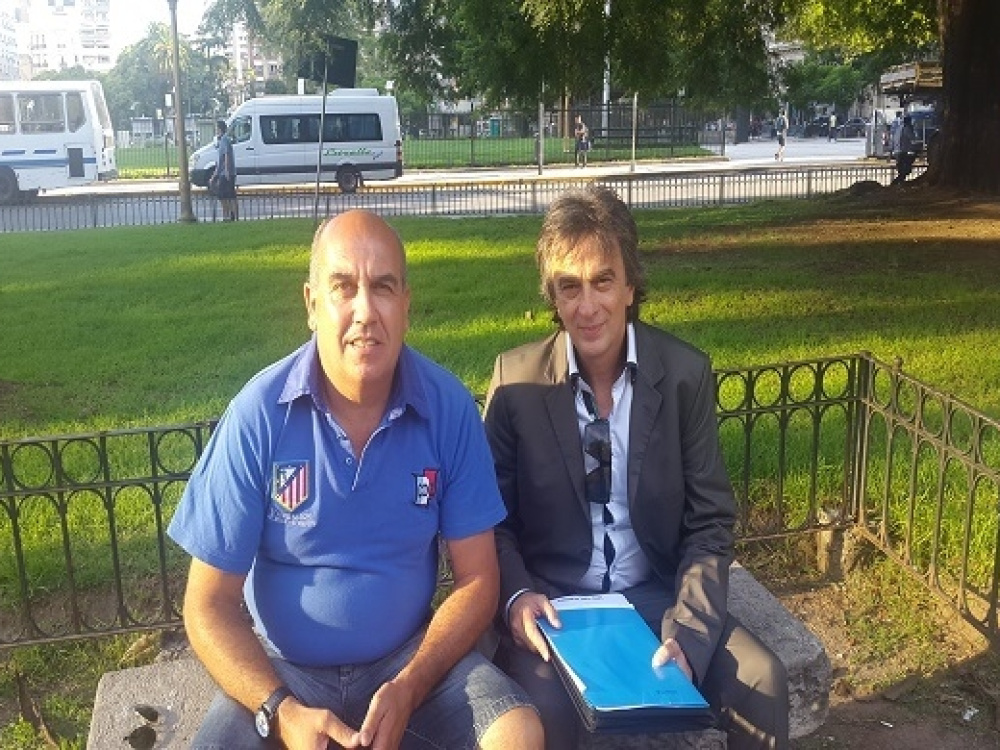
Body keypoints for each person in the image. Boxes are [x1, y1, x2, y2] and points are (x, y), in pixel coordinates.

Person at [167, 210, 544, 750]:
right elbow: (206, 604)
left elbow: (479, 579)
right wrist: (280, 709)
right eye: (343, 287)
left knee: (518, 733)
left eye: (383, 287)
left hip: (409, 663)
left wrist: (411, 685)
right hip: (283, 673)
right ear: (311, 304)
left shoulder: (447, 408)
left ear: (406, 304)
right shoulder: (259, 414)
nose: (365, 312)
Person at [483, 186, 789, 750]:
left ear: (630, 286)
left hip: (655, 595)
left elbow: (709, 523)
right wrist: (518, 595)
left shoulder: (683, 375)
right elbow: (489, 522)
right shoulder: (515, 383)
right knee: (548, 710)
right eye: (569, 287)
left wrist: (689, 634)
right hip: (556, 606)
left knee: (761, 680)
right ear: (553, 296)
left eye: (602, 281)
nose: (587, 306)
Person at [213, 119, 238, 222]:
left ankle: (229, 215)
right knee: (228, 195)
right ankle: (231, 214)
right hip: (224, 172)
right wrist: (214, 175)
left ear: (219, 129)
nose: (215, 130)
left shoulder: (224, 140)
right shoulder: (223, 140)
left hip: (226, 173)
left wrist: (227, 171)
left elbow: (226, 155)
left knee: (225, 196)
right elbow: (220, 160)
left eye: (216, 128)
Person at [891, 115, 917, 185]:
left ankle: (899, 182)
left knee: (902, 170)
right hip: (903, 152)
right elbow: (912, 138)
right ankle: (897, 183)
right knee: (905, 169)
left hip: (897, 151)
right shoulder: (907, 128)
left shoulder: (899, 128)